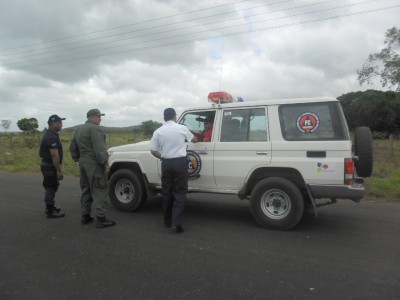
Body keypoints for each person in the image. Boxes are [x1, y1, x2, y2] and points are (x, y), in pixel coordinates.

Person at [149, 108, 198, 233]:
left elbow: (153, 150)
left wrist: (163, 157)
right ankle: (176, 223)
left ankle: (167, 221)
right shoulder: (182, 128)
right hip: (180, 163)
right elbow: (195, 140)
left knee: (166, 192)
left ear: (165, 117)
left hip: (166, 163)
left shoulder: (158, 131)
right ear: (174, 117)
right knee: (180, 193)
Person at [69, 109, 116, 228]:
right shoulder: (96, 129)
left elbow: (73, 147)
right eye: (99, 116)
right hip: (94, 164)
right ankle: (100, 219)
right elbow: (99, 148)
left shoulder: (78, 129)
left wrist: (76, 159)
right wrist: (105, 163)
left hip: (83, 162)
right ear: (92, 117)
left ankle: (85, 216)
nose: (100, 119)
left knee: (86, 189)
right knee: (100, 189)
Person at [39, 114, 66, 218]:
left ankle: (50, 206)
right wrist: (59, 171)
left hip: (49, 164)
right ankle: (50, 211)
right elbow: (54, 155)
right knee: (51, 186)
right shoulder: (51, 136)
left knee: (53, 185)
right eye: (59, 123)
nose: (61, 125)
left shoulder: (52, 134)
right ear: (53, 124)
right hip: (50, 165)